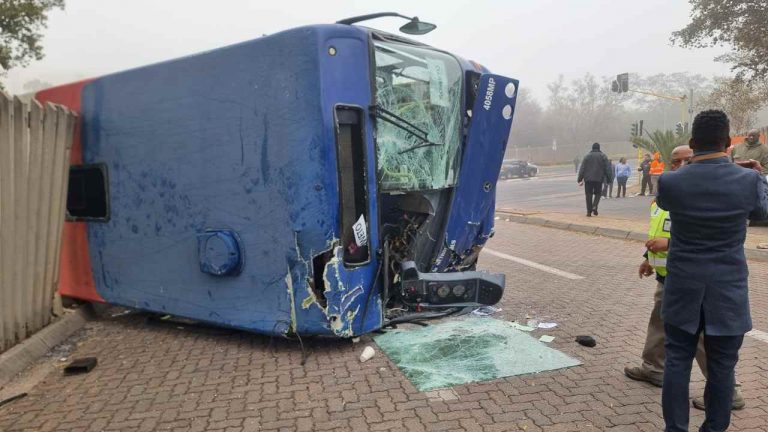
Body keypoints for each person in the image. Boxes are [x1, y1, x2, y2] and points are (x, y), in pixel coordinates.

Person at [656, 110, 768, 432]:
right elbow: (762, 211)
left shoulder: (671, 181)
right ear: (727, 141)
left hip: (682, 288)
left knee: (677, 361)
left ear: (692, 144)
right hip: (727, 290)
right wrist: (756, 173)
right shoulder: (748, 180)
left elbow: (663, 203)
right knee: (722, 367)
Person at [624, 144, 744, 411]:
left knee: (701, 335)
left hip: (691, 280)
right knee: (658, 324)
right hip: (668, 276)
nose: (678, 167)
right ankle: (654, 368)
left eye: (685, 161)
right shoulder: (668, 192)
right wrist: (648, 258)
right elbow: (659, 228)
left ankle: (727, 390)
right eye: (674, 162)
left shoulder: (704, 196)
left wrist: (666, 245)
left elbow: (707, 238)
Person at [577, 142, 611, 217]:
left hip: (588, 179)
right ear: (599, 148)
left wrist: (579, 179)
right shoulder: (603, 156)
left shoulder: (587, 156)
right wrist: (609, 179)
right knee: (598, 194)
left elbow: (582, 168)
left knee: (588, 195)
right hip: (599, 179)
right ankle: (594, 206)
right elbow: (608, 168)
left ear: (592, 148)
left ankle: (589, 212)